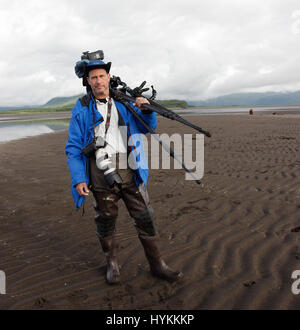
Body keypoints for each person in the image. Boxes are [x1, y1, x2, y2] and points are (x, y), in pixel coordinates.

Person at [65, 56, 183, 284]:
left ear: (108, 77)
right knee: (105, 220)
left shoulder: (124, 103)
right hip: (100, 173)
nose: (98, 81)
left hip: (130, 168)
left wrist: (146, 109)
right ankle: (112, 265)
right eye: (93, 77)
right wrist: (79, 179)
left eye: (101, 76)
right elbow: (73, 148)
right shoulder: (80, 109)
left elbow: (147, 126)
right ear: (88, 81)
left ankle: (158, 265)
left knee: (145, 217)